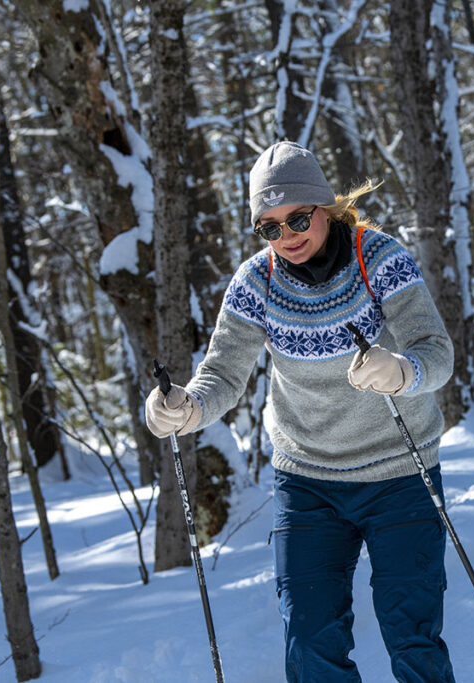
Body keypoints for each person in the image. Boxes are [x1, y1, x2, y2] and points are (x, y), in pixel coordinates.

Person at [144, 141, 456, 682]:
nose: (287, 236)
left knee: (412, 637)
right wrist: (184, 409)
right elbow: (221, 375)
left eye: (298, 218)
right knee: (311, 644)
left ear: (325, 207)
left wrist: (401, 372)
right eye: (269, 227)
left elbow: (437, 352)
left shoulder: (377, 256)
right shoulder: (255, 284)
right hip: (308, 482)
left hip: (400, 473)